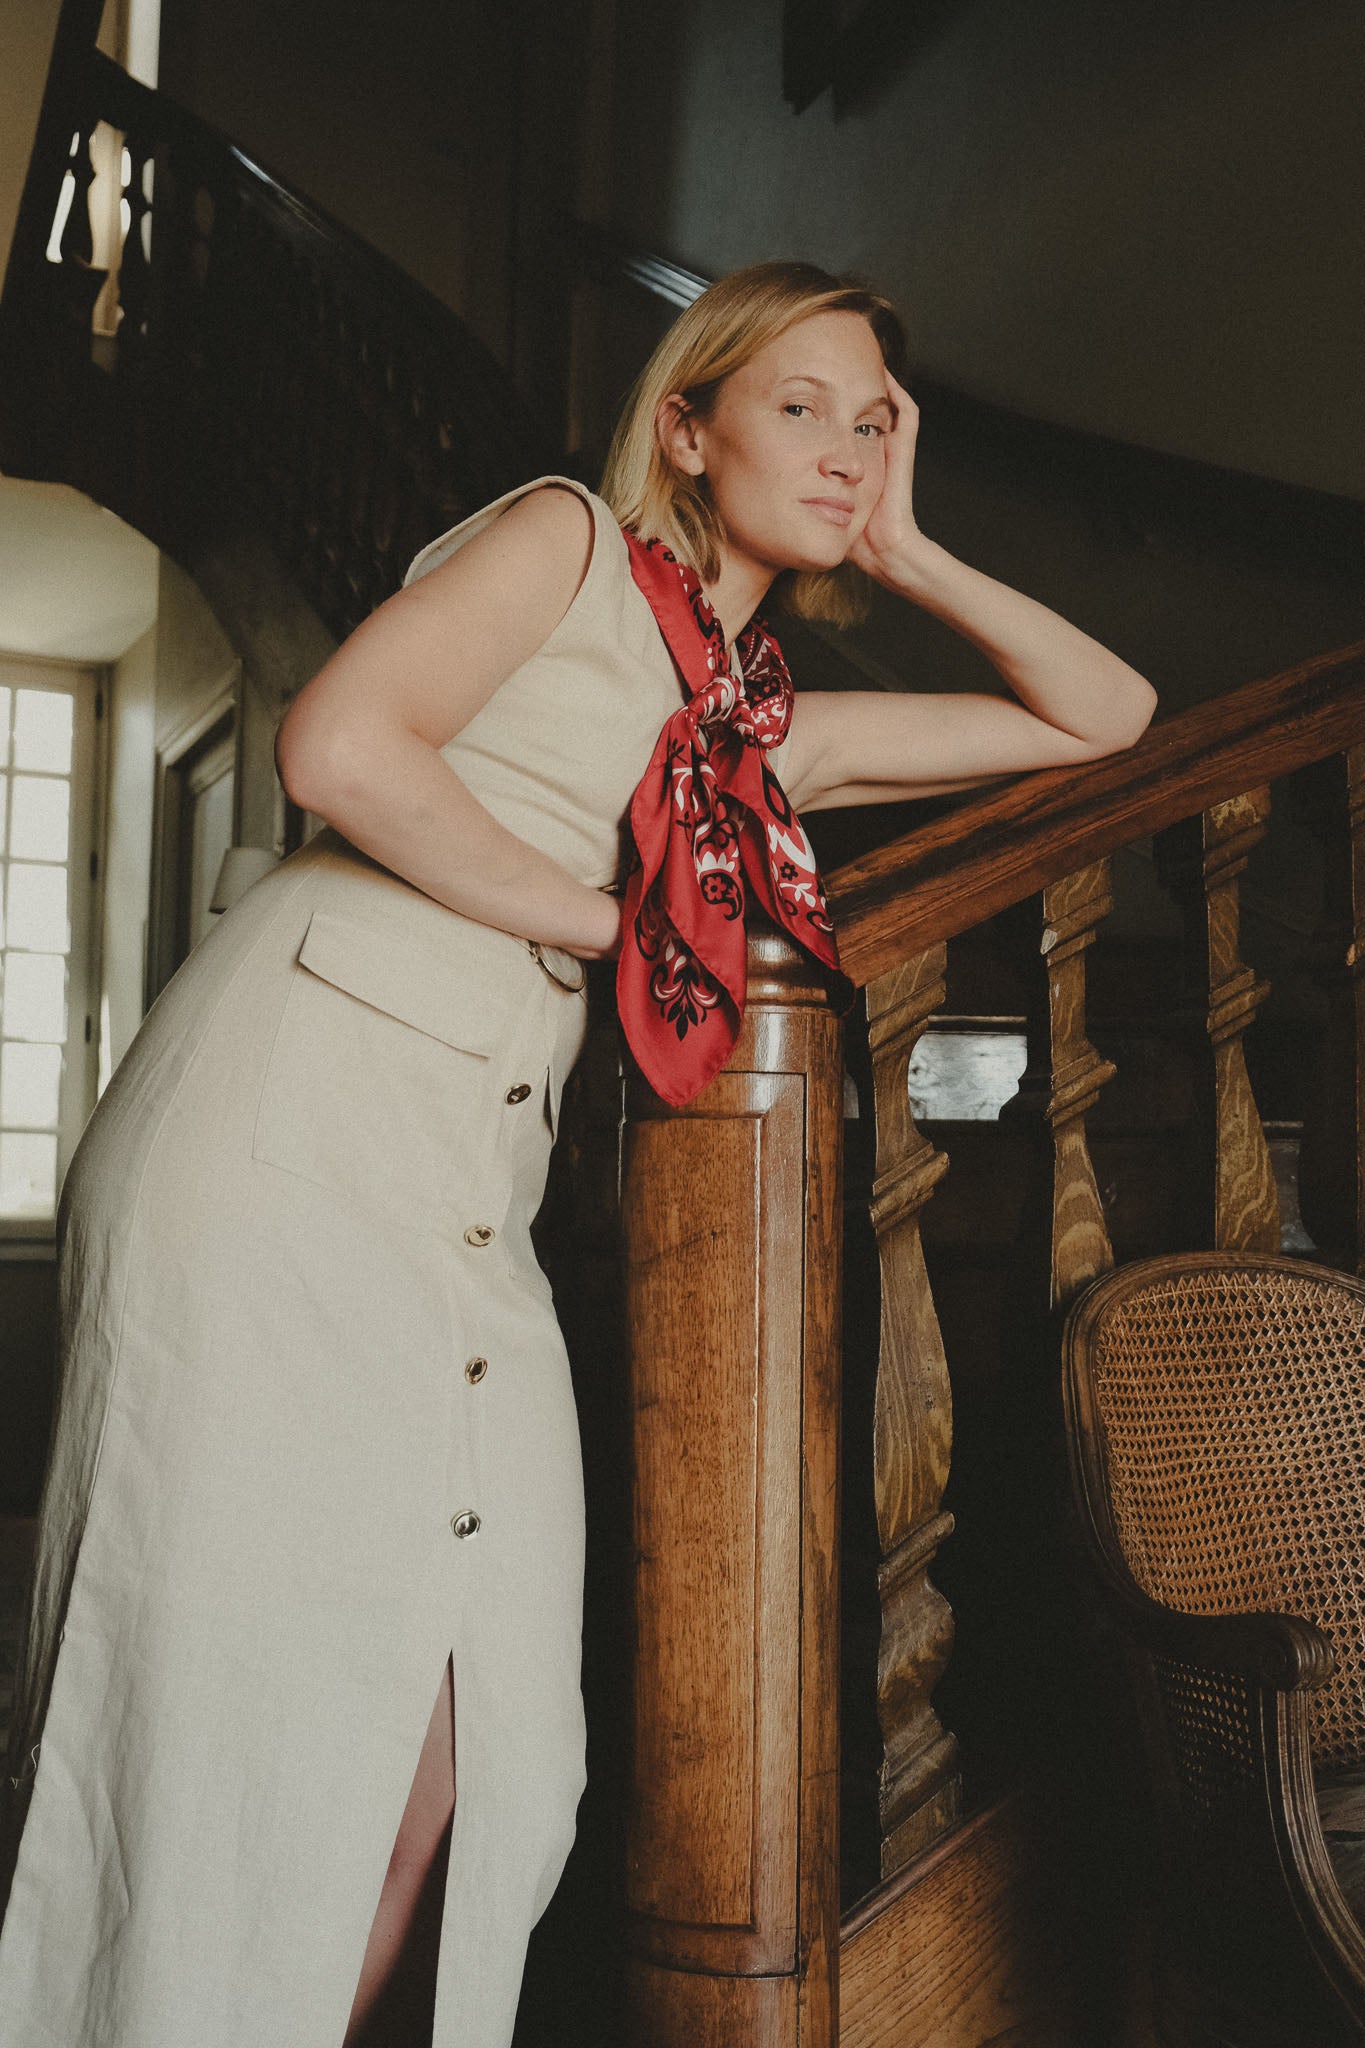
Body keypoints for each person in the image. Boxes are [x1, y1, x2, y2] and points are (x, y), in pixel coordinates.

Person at [0, 260, 1156, 2048]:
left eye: (873, 423)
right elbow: (337, 745)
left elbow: (1105, 715)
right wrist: (622, 926)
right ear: (684, 429)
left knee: (489, 1768)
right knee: (239, 1736)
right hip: (283, 1138)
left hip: (469, 1201)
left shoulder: (756, 733)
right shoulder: (562, 542)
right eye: (798, 408)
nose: (843, 448)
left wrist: (907, 549)